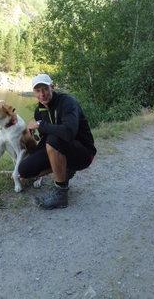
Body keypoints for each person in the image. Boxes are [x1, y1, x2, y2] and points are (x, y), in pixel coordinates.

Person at [18, 74, 97, 209]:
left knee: (54, 139)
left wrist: (40, 125)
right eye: (38, 91)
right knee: (24, 170)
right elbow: (44, 141)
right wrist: (31, 140)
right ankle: (65, 169)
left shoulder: (67, 102)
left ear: (52, 88)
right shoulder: (39, 110)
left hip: (84, 153)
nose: (42, 94)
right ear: (34, 92)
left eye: (45, 89)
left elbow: (68, 132)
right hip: (60, 149)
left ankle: (61, 194)